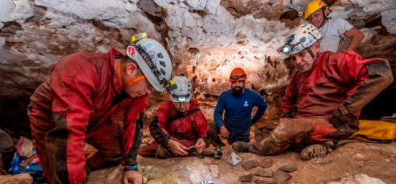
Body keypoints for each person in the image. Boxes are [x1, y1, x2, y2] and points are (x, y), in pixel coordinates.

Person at [28, 34, 173, 184]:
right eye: (148, 86)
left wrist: (130, 165)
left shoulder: (135, 90)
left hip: (97, 117)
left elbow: (134, 124)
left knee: (116, 153)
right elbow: (68, 132)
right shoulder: (81, 69)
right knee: (58, 179)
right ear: (131, 69)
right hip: (52, 116)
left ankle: (82, 168)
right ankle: (72, 181)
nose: (148, 92)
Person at [233, 24, 393, 159]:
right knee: (264, 131)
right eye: (293, 58)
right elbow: (288, 98)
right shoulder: (299, 76)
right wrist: (287, 116)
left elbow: (381, 74)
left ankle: (253, 148)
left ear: (316, 46)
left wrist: (344, 111)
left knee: (286, 130)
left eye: (301, 54)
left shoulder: (336, 61)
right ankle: (314, 143)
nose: (297, 62)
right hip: (306, 123)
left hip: (334, 123)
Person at [138, 76, 210, 158]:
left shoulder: (195, 112)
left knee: (164, 150)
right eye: (177, 102)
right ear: (172, 99)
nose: (182, 106)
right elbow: (156, 127)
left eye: (185, 102)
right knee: (141, 154)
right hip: (168, 140)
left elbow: (204, 131)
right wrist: (169, 141)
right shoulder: (165, 108)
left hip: (188, 144)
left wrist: (203, 140)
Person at [208, 68, 268, 147]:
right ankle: (221, 147)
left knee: (237, 153)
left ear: (244, 82)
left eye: (239, 82)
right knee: (207, 126)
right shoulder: (225, 95)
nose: (237, 85)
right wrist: (222, 126)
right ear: (231, 83)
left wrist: (252, 121)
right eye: (234, 82)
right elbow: (217, 112)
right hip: (227, 129)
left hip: (241, 135)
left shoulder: (252, 95)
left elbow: (263, 105)